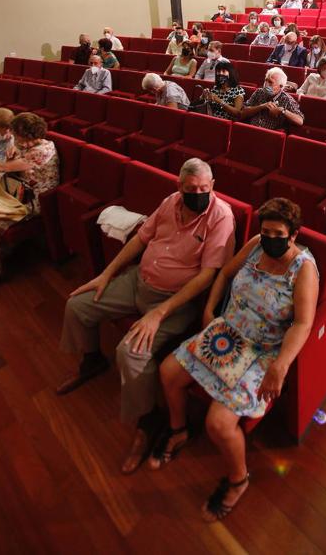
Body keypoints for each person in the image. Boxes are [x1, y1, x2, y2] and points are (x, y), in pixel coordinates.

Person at [57, 158, 235, 473]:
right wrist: (106, 274)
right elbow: (141, 240)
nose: (197, 194)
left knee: (131, 351)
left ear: (213, 187)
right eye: (191, 188)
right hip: (140, 280)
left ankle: (149, 418)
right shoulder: (170, 202)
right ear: (180, 187)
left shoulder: (220, 217)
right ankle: (91, 360)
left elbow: (208, 276)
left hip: (173, 301)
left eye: (204, 189)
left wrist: (159, 314)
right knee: (78, 304)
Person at [152, 197, 318, 521]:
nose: (270, 238)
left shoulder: (304, 269)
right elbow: (225, 273)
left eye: (278, 234)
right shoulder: (257, 244)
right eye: (266, 231)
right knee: (169, 372)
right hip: (228, 331)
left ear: (294, 234)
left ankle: (238, 479)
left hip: (262, 349)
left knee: (219, 422)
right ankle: (178, 429)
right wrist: (209, 310)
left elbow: (303, 323)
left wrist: (280, 366)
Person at [0, 112, 58, 298]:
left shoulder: (43, 150)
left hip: (32, 202)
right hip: (14, 192)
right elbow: (10, 145)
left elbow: (4, 167)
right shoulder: (26, 143)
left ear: (31, 136)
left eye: (19, 138)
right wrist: (12, 148)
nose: (17, 142)